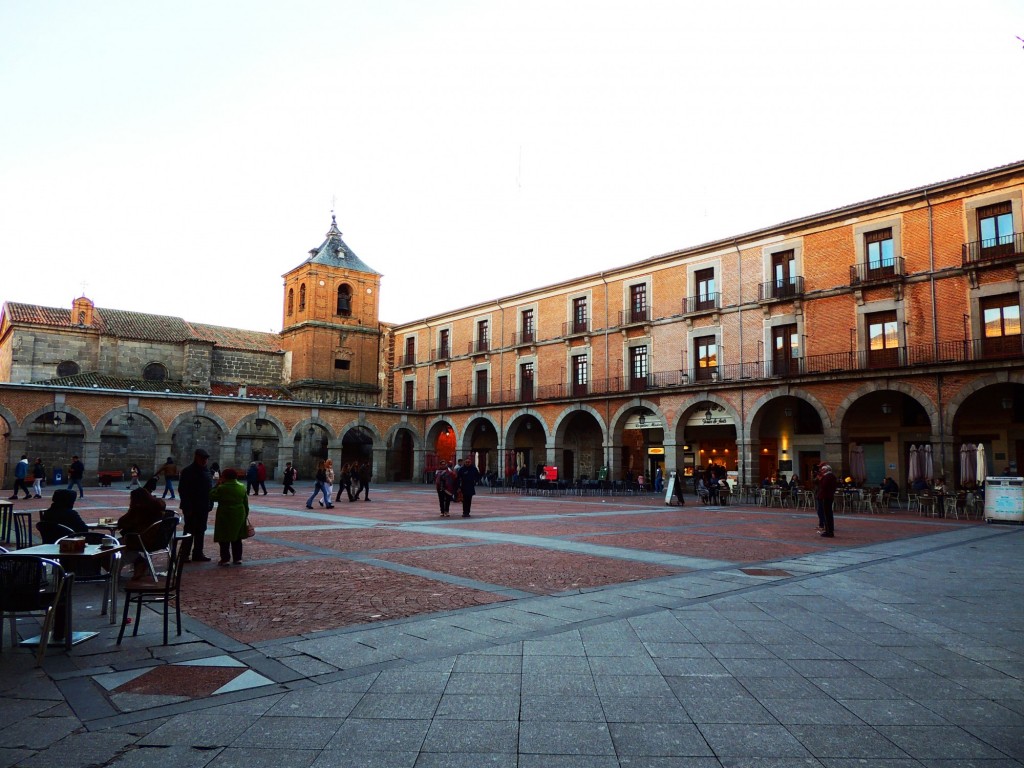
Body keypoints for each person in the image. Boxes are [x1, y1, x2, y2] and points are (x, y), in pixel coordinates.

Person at [117, 478, 169, 579]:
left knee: (117, 545)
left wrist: (131, 509)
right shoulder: (158, 506)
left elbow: (122, 522)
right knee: (124, 542)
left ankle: (136, 563)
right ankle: (139, 564)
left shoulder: (138, 509)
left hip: (143, 540)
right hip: (159, 539)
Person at [178, 448, 213, 562]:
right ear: (196, 457)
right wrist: (187, 506)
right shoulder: (188, 471)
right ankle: (184, 554)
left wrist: (210, 502)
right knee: (189, 530)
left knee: (201, 530)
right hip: (191, 507)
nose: (204, 461)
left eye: (206, 459)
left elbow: (209, 489)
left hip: (203, 506)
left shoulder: (206, 471)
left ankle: (198, 553)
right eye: (203, 458)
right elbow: (183, 490)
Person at [209, 468, 250, 566]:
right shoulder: (242, 487)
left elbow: (211, 496)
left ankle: (225, 559)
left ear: (225, 477)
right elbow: (246, 503)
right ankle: (238, 558)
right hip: (239, 513)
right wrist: (245, 515)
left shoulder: (222, 488)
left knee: (224, 537)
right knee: (237, 537)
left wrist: (216, 485)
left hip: (225, 513)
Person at [816, 463, 838, 538]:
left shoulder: (829, 476)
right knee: (827, 514)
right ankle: (828, 530)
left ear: (827, 470)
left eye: (823, 469)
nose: (821, 471)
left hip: (826, 497)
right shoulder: (829, 476)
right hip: (826, 496)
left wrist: (820, 479)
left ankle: (829, 531)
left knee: (826, 514)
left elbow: (824, 486)